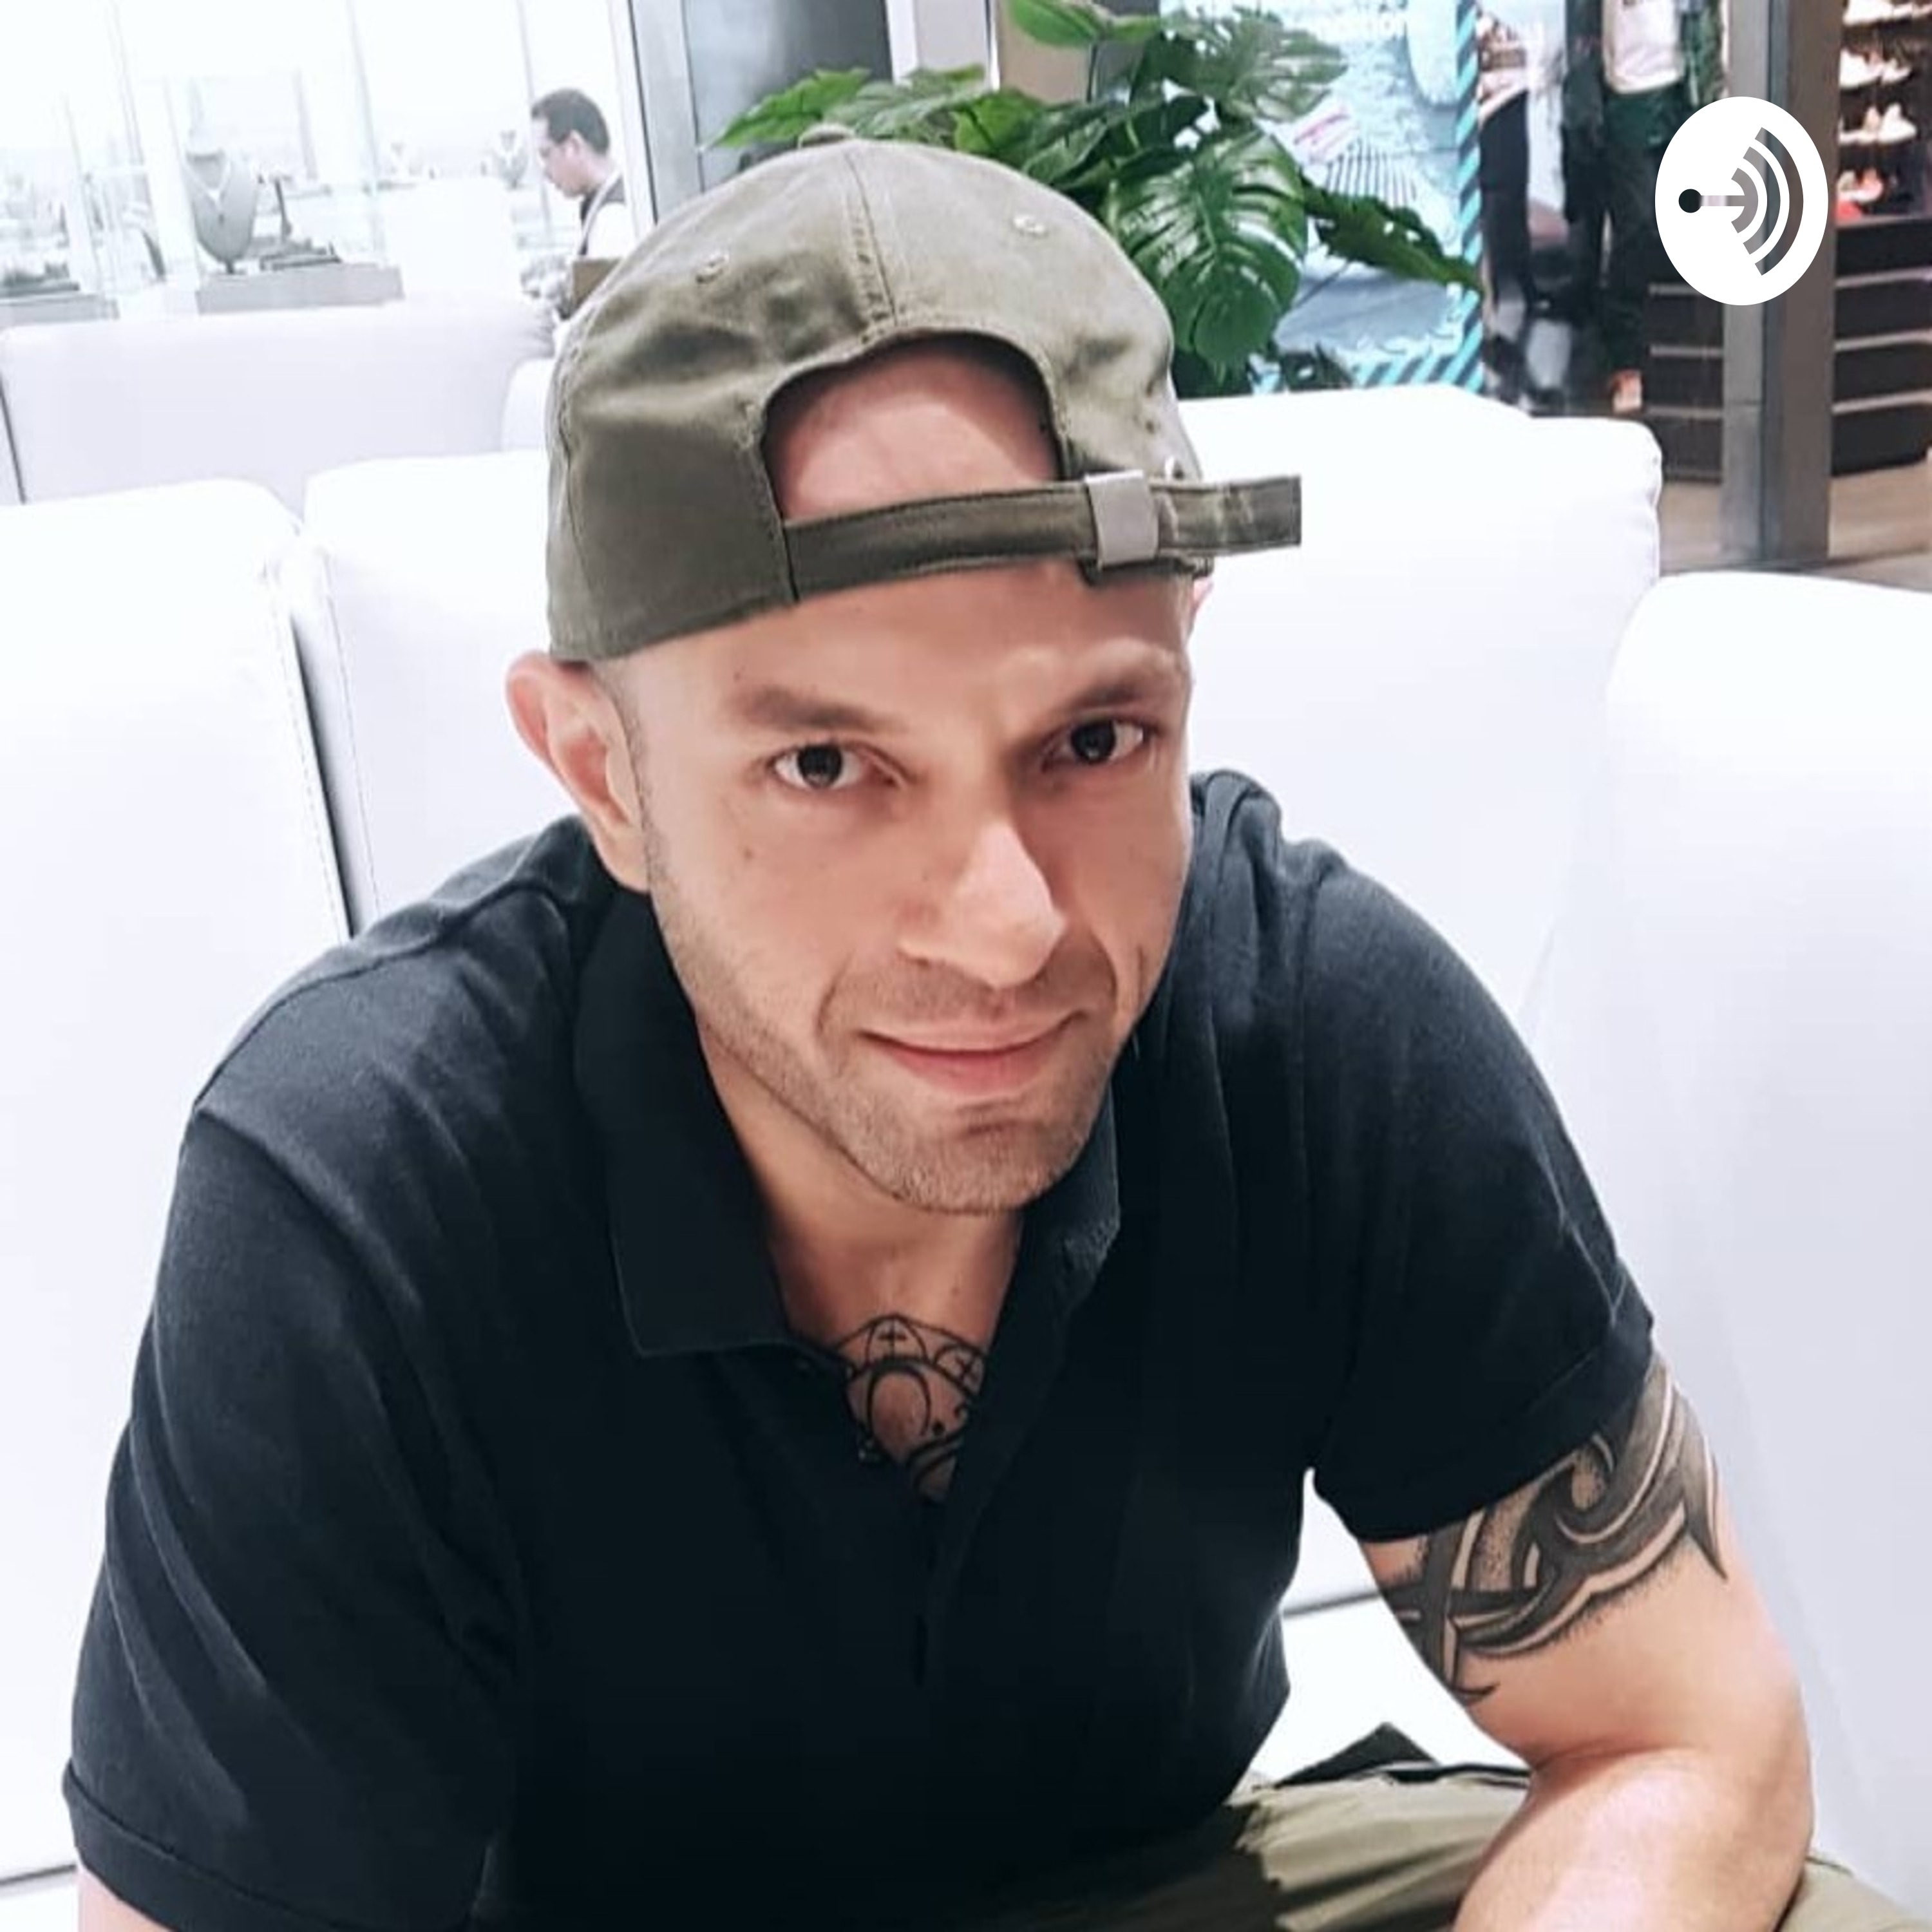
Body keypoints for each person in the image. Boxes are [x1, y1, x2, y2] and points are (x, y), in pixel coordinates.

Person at [66, 137, 1924, 1932]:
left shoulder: (1308, 1028)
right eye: (826, 764)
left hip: (1170, 1879)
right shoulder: (366, 1192)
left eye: (1093, 741)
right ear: (600, 771)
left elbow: (1678, 1731)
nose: (1008, 924)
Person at [1561, 0, 1723, 414]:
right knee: (1637, 226)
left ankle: (1690, 358)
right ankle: (1625, 362)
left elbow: (1705, 20)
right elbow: (1582, 31)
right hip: (1627, 96)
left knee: (1694, 222)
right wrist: (1586, 104)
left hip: (1684, 88)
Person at [529, 85, 634, 261]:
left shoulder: (613, 220)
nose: (545, 172)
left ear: (574, 145)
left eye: (546, 154)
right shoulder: (608, 201)